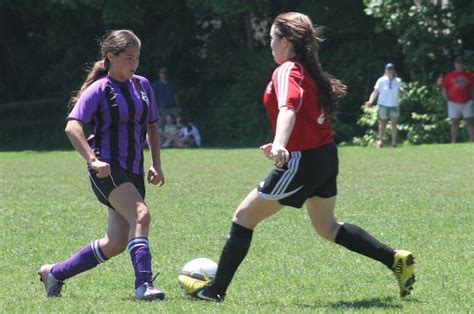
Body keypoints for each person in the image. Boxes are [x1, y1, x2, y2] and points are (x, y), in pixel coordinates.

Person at [178, 12, 416, 302]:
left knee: (243, 217)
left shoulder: (288, 70)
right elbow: (302, 118)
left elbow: (288, 108)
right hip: (324, 156)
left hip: (303, 161)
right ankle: (395, 259)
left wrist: (281, 144)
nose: (270, 45)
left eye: (272, 39)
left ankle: (214, 292)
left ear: (286, 40)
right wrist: (281, 141)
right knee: (327, 227)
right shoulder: (305, 69)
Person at [38, 30, 166, 301]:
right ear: (111, 56)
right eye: (129, 57)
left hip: (133, 170)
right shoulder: (99, 90)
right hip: (107, 169)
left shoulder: (143, 85)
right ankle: (143, 285)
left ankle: (55, 273)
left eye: (137, 58)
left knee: (116, 243)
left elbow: (152, 126)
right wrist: (93, 160)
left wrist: (156, 163)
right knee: (141, 215)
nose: (135, 63)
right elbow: (73, 127)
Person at [365, 63, 404, 148]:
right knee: (382, 123)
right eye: (388, 69)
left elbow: (399, 92)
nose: (390, 71)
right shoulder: (381, 80)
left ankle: (393, 143)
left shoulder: (397, 81)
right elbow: (375, 92)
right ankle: (380, 141)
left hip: (394, 105)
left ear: (394, 71)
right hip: (383, 104)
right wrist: (370, 101)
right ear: (385, 70)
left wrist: (401, 91)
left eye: (391, 69)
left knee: (394, 124)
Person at [442, 57, 474, 143]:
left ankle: (472, 140)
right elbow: (445, 88)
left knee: (469, 121)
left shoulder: (470, 75)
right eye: (458, 63)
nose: (460, 65)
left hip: (467, 101)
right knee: (454, 122)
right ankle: (454, 141)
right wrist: (447, 99)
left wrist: (472, 99)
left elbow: (472, 88)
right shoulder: (449, 75)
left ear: (464, 65)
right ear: (455, 65)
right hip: (453, 102)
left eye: (461, 63)